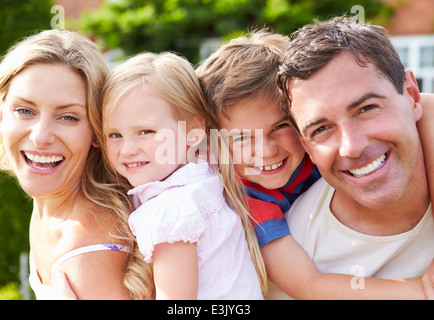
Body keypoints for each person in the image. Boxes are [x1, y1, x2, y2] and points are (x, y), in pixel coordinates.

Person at [197, 28, 434, 299]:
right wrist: (422, 291)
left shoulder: (313, 149)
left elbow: (425, 106)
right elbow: (308, 285)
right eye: (241, 137)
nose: (266, 150)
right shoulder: (249, 202)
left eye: (280, 126)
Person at [0, 29, 154, 299]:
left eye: (68, 117)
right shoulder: (49, 206)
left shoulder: (90, 247)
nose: (40, 137)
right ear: (0, 112)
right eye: (25, 111)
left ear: (98, 131)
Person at [276, 16, 434, 298]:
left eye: (367, 108)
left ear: (411, 95)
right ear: (306, 145)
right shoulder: (297, 248)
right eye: (322, 129)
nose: (352, 147)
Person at [95, 51, 266, 299]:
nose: (127, 149)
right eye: (115, 135)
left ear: (194, 132)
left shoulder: (170, 210)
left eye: (145, 131)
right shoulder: (204, 175)